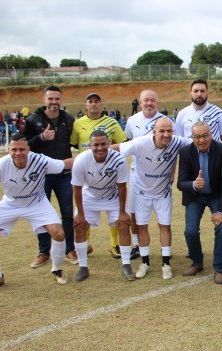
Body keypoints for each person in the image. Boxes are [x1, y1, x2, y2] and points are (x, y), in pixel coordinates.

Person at [0, 134, 74, 292]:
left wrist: (91, 156)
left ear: (28, 149)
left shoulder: (39, 160)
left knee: (59, 233)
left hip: (37, 203)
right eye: (14, 149)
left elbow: (65, 164)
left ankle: (56, 269)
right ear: (8, 150)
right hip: (10, 204)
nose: (18, 153)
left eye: (22, 149)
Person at [115, 117, 191, 280]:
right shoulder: (140, 143)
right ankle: (145, 262)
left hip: (163, 193)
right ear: (154, 132)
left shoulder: (177, 141)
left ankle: (166, 264)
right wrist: (92, 155)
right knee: (142, 227)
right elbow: (116, 149)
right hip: (142, 194)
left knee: (165, 227)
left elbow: (199, 141)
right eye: (161, 131)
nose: (166, 134)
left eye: (169, 131)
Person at [21, 85, 77, 268]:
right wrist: (41, 138)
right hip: (41, 175)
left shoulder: (68, 119)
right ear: (44, 99)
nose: (54, 102)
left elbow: (73, 141)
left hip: (64, 175)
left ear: (61, 100)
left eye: (57, 99)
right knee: (40, 214)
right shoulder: (32, 120)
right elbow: (23, 145)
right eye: (50, 98)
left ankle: (69, 249)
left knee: (67, 213)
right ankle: (44, 252)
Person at [71, 92, 128, 259]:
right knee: (83, 213)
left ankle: (114, 244)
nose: (93, 104)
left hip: (108, 173)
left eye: (96, 101)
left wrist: (108, 153)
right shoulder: (77, 124)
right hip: (87, 173)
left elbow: (122, 144)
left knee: (115, 214)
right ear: (86, 105)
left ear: (101, 104)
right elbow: (74, 144)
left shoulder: (111, 122)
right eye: (90, 101)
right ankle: (86, 244)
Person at [71, 130, 133, 282]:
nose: (100, 148)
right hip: (89, 196)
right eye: (96, 145)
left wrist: (123, 212)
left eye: (103, 144)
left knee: (124, 224)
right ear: (89, 146)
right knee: (79, 225)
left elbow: (122, 187)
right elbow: (77, 189)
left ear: (109, 143)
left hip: (112, 195)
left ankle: (126, 265)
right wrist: (80, 214)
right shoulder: (81, 160)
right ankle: (83, 267)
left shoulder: (119, 159)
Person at [177, 122, 222, 284]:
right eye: (197, 137)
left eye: (205, 135)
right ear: (192, 138)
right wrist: (194, 184)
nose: (201, 140)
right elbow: (181, 183)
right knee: (190, 231)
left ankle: (219, 268)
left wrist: (221, 211)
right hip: (195, 197)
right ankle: (197, 262)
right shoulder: (185, 152)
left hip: (216, 195)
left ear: (211, 135)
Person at [124, 89, 164, 260]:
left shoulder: (165, 121)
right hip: (136, 175)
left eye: (152, 100)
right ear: (140, 102)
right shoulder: (132, 120)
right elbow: (127, 144)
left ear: (157, 102)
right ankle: (136, 245)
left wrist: (171, 173)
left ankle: (166, 248)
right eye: (146, 100)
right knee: (133, 211)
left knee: (162, 214)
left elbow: (173, 146)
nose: (149, 103)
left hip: (159, 176)